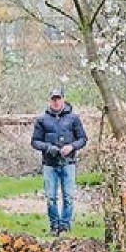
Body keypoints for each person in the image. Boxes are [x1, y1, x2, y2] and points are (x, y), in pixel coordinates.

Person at [30, 87, 87, 236]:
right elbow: (35, 142)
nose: (56, 102)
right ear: (49, 101)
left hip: (68, 163)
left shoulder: (73, 118)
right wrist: (49, 148)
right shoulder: (42, 120)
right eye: (53, 99)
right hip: (49, 164)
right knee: (50, 197)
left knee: (68, 197)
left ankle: (65, 226)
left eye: (58, 99)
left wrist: (71, 146)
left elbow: (82, 139)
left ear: (62, 99)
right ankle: (54, 226)